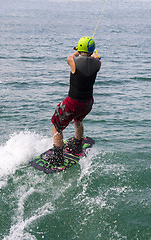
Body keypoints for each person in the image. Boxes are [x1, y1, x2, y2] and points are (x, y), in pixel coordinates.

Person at [49, 36, 101, 166]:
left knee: (56, 126)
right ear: (92, 50)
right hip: (88, 103)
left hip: (73, 102)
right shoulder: (97, 64)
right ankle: (77, 145)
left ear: (79, 48)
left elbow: (71, 57)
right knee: (78, 120)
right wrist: (94, 51)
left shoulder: (72, 61)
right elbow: (96, 57)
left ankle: (57, 157)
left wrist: (76, 50)